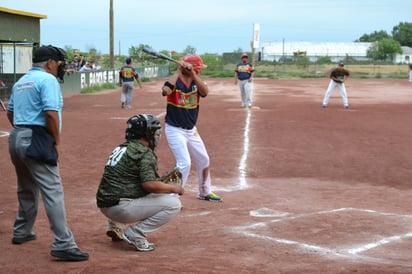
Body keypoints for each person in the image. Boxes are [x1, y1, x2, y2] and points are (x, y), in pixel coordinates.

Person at [6, 45, 89, 261]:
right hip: (37, 137)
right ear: (50, 63)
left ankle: (22, 232)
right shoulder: (48, 80)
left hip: (16, 137)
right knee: (53, 190)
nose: (61, 68)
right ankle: (63, 243)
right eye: (60, 64)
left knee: (26, 188)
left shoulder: (21, 81)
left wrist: (23, 130)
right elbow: (51, 114)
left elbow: (11, 112)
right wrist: (57, 142)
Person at [96, 114, 184, 252]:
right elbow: (149, 185)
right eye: (155, 132)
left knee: (124, 186)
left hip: (105, 205)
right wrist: (173, 188)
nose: (157, 136)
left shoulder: (121, 147)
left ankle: (115, 226)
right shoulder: (144, 152)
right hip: (121, 209)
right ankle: (135, 233)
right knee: (173, 204)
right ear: (146, 133)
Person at [161, 54, 222, 202]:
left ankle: (204, 191)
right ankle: (172, 197)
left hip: (191, 130)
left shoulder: (196, 82)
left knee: (204, 159)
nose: (199, 71)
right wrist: (178, 70)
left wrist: (193, 73)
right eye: (197, 68)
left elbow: (205, 92)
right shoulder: (176, 82)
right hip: (175, 130)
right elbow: (165, 91)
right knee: (184, 163)